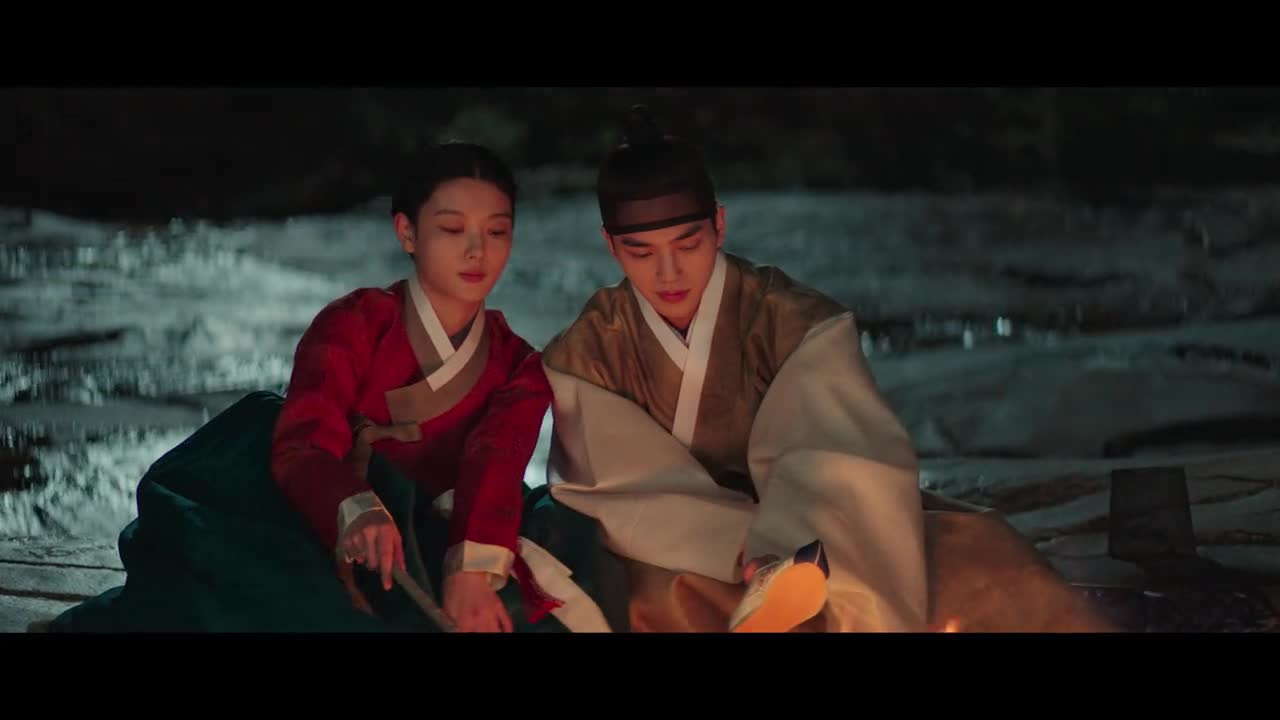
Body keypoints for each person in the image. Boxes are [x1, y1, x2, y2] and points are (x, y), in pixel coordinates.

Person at [540, 107, 1115, 633]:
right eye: (641, 252)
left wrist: (783, 547)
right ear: (610, 246)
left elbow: (829, 454)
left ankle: (785, 580)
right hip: (685, 550)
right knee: (652, 595)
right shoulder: (590, 352)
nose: (668, 273)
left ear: (719, 224)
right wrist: (745, 549)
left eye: (687, 244)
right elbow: (619, 487)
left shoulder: (789, 320)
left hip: (822, 536)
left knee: (979, 565)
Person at [44, 142, 611, 633]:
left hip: (436, 533)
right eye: (451, 228)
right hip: (318, 507)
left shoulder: (519, 363)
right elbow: (306, 440)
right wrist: (351, 507)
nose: (476, 251)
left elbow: (496, 464)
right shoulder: (353, 323)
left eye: (497, 231)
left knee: (567, 575)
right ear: (407, 232)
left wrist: (471, 572)